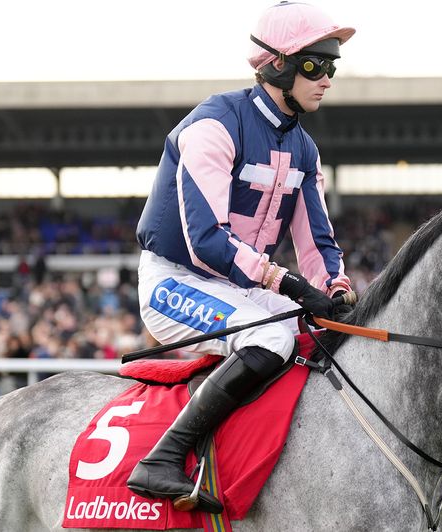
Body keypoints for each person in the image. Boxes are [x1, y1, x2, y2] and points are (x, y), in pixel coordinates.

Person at [127, 2, 355, 514]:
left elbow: (317, 242)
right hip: (174, 281)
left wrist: (335, 288)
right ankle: (163, 457)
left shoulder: (305, 150)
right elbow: (207, 240)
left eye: (332, 67)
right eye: (317, 64)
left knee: (320, 333)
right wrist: (289, 283)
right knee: (272, 337)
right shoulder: (213, 124)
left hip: (241, 286)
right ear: (277, 65)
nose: (327, 79)